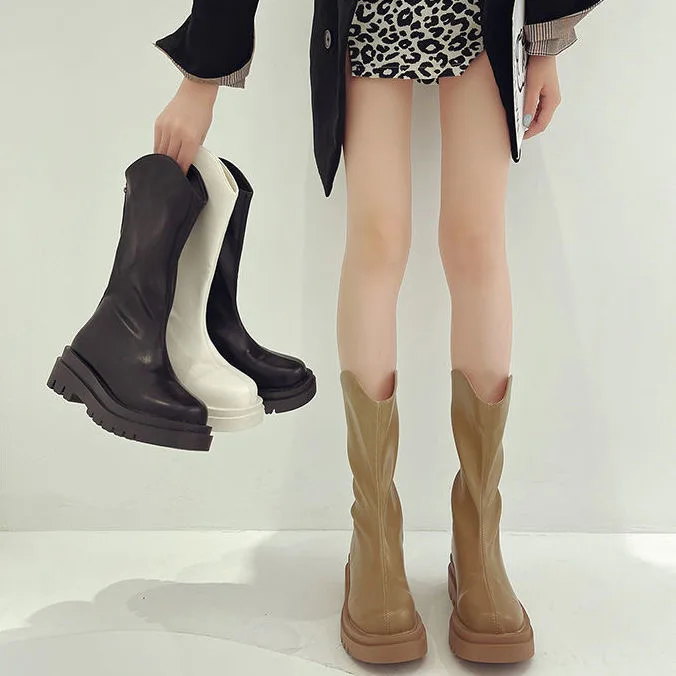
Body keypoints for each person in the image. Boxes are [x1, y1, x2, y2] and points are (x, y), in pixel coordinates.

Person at [153, 0, 604, 665]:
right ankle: (375, 539)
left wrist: (543, 40)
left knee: (477, 242)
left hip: (484, 14)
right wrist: (201, 79)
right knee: (377, 240)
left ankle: (478, 541)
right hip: (370, 13)